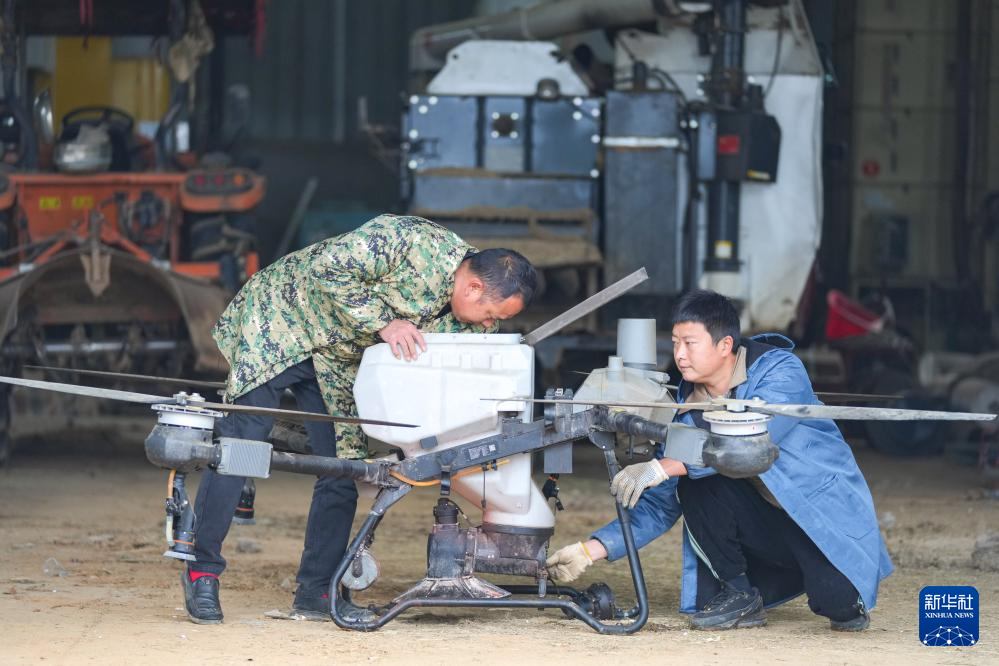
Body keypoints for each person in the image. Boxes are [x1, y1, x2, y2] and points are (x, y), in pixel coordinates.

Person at [182, 214, 537, 624]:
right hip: (283, 324)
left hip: (340, 362)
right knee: (241, 447)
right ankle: (202, 571)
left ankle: (316, 591)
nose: (491, 326)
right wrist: (385, 323)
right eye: (492, 315)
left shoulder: (473, 320)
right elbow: (327, 267)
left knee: (341, 471)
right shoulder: (409, 241)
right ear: (473, 288)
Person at [546, 289, 893, 631]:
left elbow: (752, 444)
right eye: (675, 342)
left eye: (690, 343)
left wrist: (663, 465)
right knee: (695, 485)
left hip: (818, 521)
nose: (679, 354)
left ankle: (844, 594)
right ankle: (740, 595)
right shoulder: (687, 410)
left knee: (837, 604)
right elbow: (660, 507)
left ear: (725, 345)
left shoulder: (780, 372)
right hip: (763, 527)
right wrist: (590, 550)